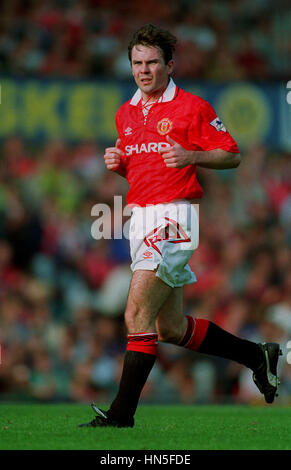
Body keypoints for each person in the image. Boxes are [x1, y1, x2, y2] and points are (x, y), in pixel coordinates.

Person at [79, 24, 282, 428]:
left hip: (175, 218)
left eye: (152, 62)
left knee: (135, 313)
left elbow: (231, 156)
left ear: (170, 65)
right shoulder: (126, 113)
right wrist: (122, 168)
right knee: (167, 327)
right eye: (137, 62)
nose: (144, 69)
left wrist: (191, 156)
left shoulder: (193, 107)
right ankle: (257, 355)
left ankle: (121, 415)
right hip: (142, 216)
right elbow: (146, 176)